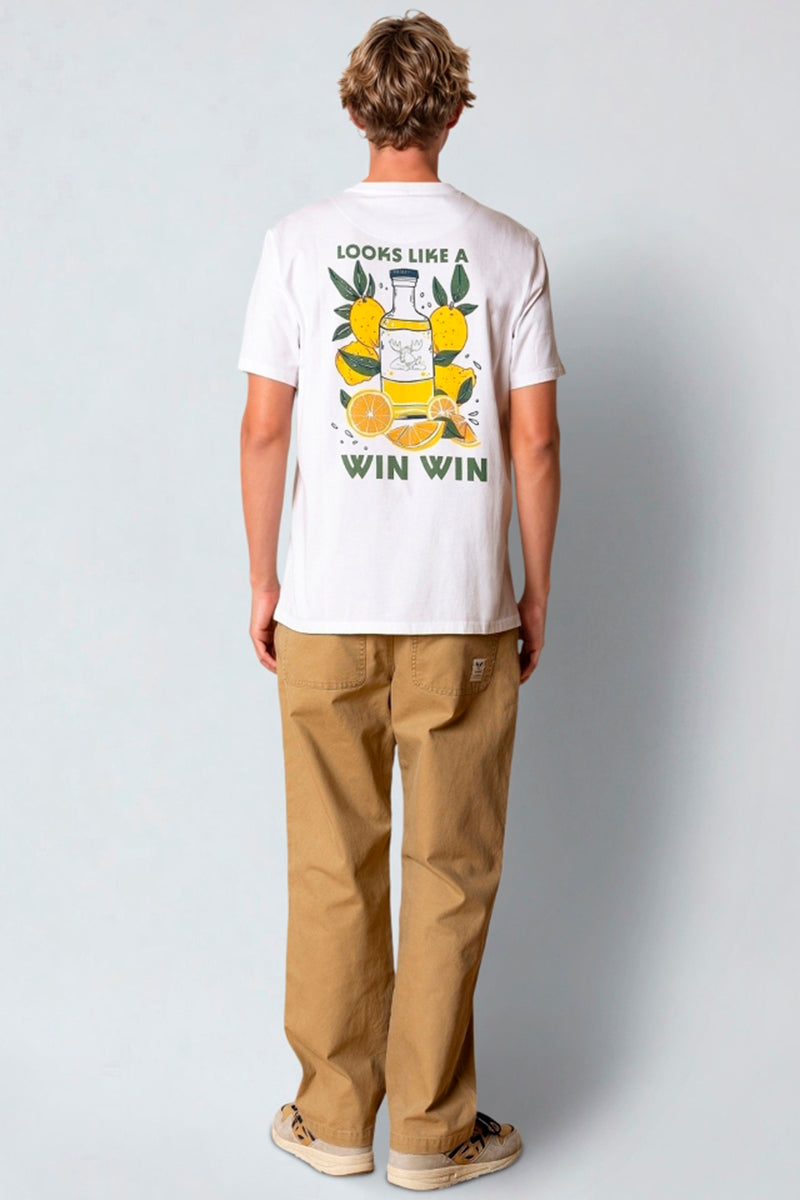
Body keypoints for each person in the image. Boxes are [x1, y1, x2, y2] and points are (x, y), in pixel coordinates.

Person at [236, 10, 565, 1190]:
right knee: (449, 872)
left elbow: (263, 426)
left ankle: (333, 1121)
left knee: (331, 866)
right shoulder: (508, 250)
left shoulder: (295, 243)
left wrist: (264, 579)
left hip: (326, 606)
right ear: (455, 110)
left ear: (353, 108)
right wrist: (532, 590)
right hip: (461, 608)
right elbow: (534, 444)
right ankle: (430, 1134)